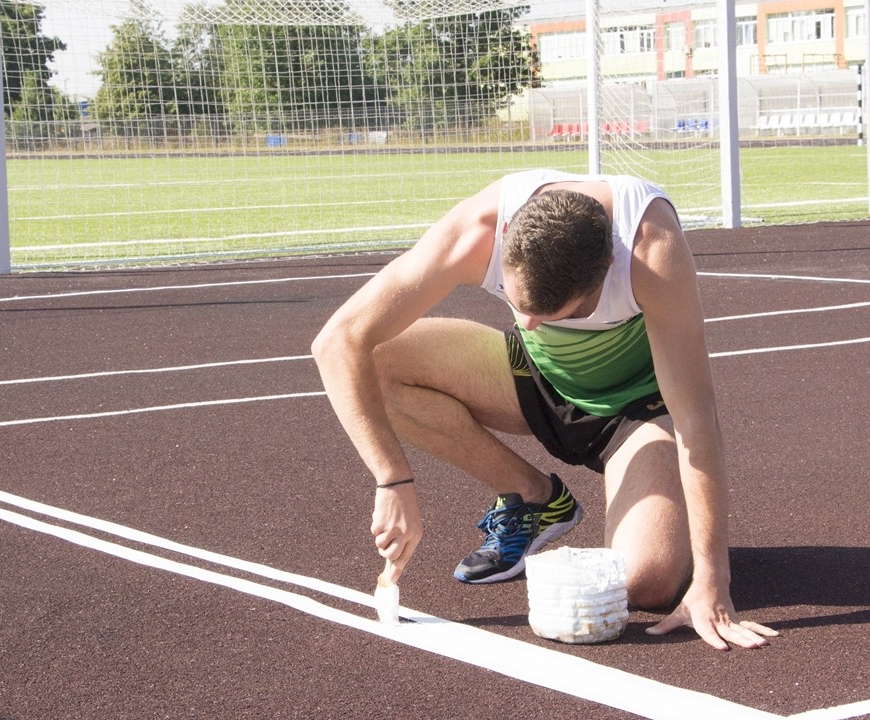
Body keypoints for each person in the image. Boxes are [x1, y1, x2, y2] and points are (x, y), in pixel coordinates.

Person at [311, 169, 775, 649]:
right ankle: (536, 498)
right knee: (376, 362)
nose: (528, 322)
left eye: (559, 315)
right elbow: (336, 341)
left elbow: (697, 419)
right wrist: (392, 479)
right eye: (518, 302)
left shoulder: (649, 248)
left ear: (608, 266)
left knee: (643, 583)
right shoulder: (481, 228)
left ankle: (656, 521)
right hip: (532, 378)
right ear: (509, 237)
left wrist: (712, 581)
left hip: (635, 410)